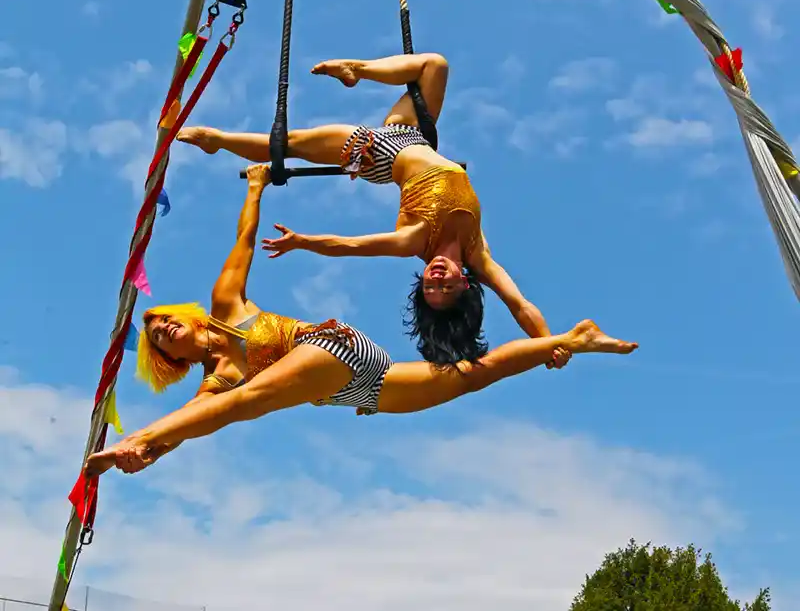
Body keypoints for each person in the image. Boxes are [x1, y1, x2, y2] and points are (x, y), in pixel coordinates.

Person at [85, 166, 637, 478]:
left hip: (332, 349)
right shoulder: (214, 381)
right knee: (470, 376)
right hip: (363, 387)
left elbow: (244, 240)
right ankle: (573, 338)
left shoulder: (227, 307)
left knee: (246, 404)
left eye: (164, 322)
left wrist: (255, 186)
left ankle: (138, 436)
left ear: (185, 317)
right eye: (159, 341)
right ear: (172, 361)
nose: (163, 330)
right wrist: (151, 454)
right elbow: (196, 418)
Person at [176, 52, 559, 365]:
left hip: (377, 154)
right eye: (445, 286)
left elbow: (352, 246)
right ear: (465, 285)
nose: (436, 278)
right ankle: (356, 69)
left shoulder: (414, 241)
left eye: (429, 287)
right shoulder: (479, 255)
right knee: (435, 65)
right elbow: (519, 304)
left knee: (291, 144)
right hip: (414, 134)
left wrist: (303, 241)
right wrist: (549, 343)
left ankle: (217, 140)